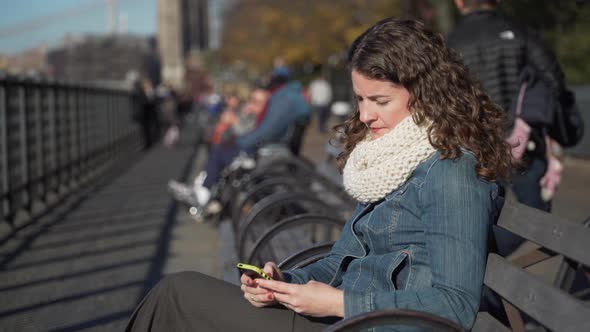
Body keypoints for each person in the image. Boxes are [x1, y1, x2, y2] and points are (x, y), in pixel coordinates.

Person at [125, 18, 512, 332]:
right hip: (344, 317)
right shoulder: (392, 160)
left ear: (428, 93)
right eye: (360, 99)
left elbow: (455, 304)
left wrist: (337, 302)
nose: (364, 115)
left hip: (363, 323)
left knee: (176, 296)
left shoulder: (451, 172)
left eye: (379, 101)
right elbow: (341, 260)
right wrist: (285, 282)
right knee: (178, 294)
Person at [447, 0, 578, 255]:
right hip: (522, 141)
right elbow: (553, 80)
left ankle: (475, 265)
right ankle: (481, 264)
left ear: (459, 3)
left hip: (474, 144)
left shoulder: (450, 43)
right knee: (536, 213)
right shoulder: (520, 32)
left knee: (483, 212)